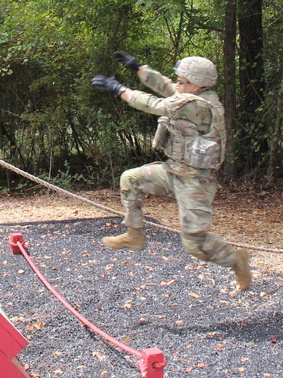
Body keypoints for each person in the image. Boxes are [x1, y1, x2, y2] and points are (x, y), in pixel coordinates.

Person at [91, 51, 252, 291]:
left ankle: (235, 259)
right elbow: (166, 86)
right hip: (172, 171)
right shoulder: (190, 95)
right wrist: (139, 69)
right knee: (131, 179)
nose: (177, 83)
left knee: (195, 244)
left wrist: (120, 90)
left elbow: (157, 104)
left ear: (196, 84)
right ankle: (134, 234)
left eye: (182, 80)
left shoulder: (196, 105)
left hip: (195, 181)